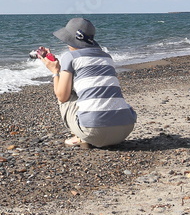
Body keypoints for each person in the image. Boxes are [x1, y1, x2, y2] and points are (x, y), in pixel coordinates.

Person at [36, 18, 136, 149]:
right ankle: (93, 133)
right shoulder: (107, 57)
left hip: (94, 131)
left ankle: (81, 136)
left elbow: (62, 96)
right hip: (124, 129)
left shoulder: (70, 56)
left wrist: (55, 71)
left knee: (67, 94)